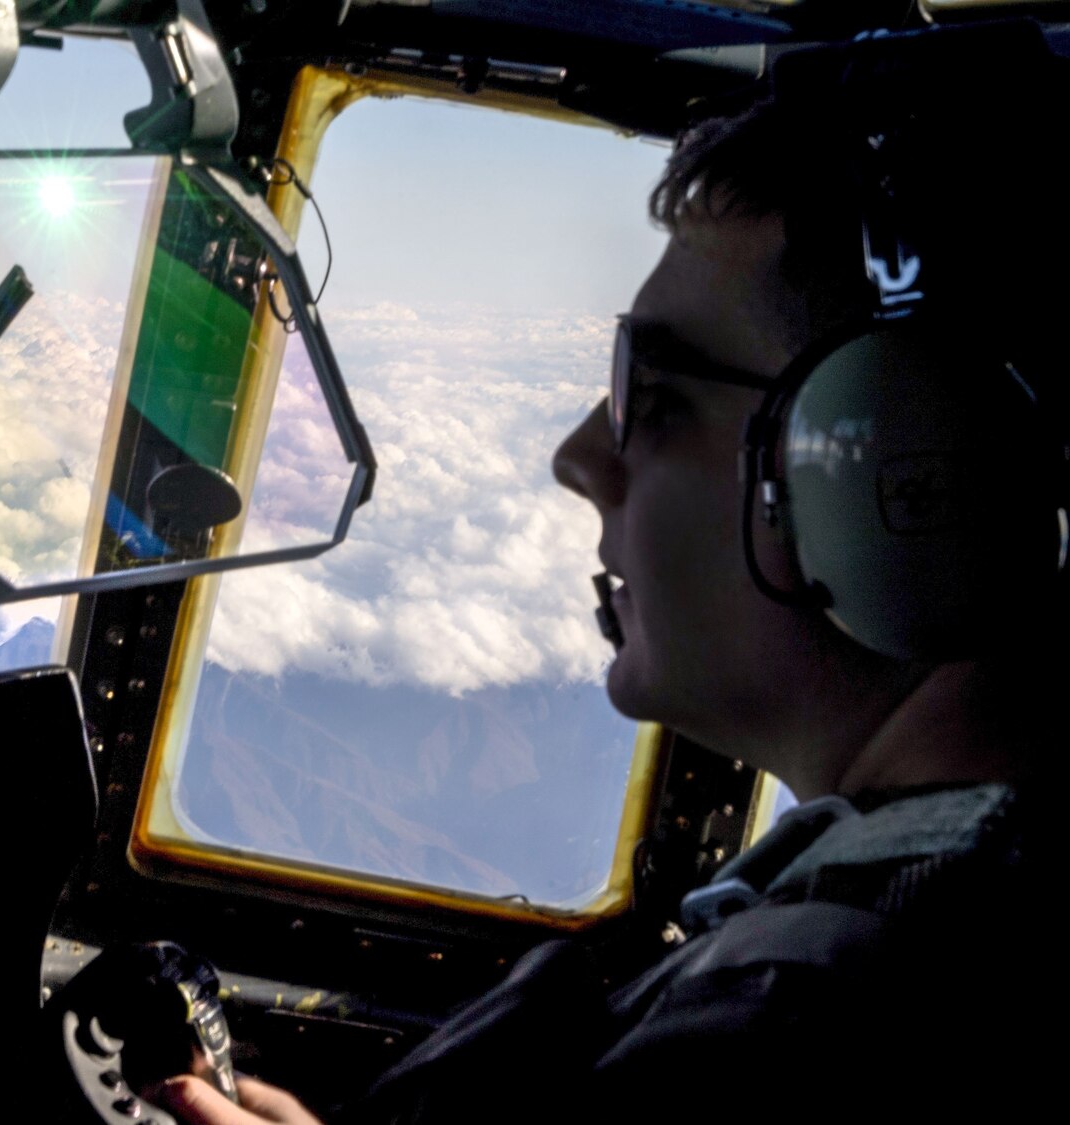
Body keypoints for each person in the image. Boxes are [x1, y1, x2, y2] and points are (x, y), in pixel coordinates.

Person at [156, 25, 1061, 1125]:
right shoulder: (952, 920)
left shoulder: (792, 1041)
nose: (577, 457)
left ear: (900, 477)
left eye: (655, 392)